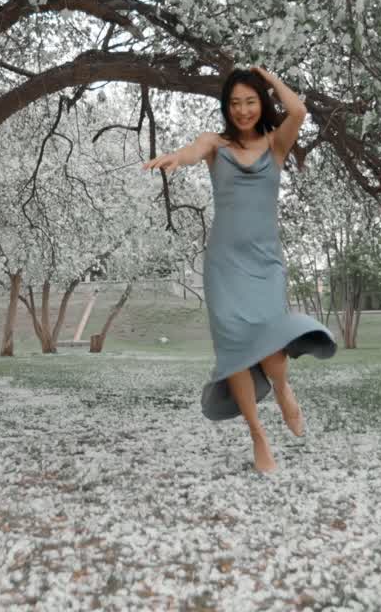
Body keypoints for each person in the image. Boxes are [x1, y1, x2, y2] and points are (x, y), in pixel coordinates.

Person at [143, 67, 337, 473]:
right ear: (226, 108)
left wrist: (268, 76)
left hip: (264, 263)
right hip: (223, 266)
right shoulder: (216, 144)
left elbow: (298, 111)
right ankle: (258, 437)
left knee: (269, 343)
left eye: (250, 101)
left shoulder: (275, 144)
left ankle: (283, 389)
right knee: (233, 352)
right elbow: (193, 151)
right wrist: (176, 158)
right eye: (235, 103)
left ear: (261, 102)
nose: (243, 110)